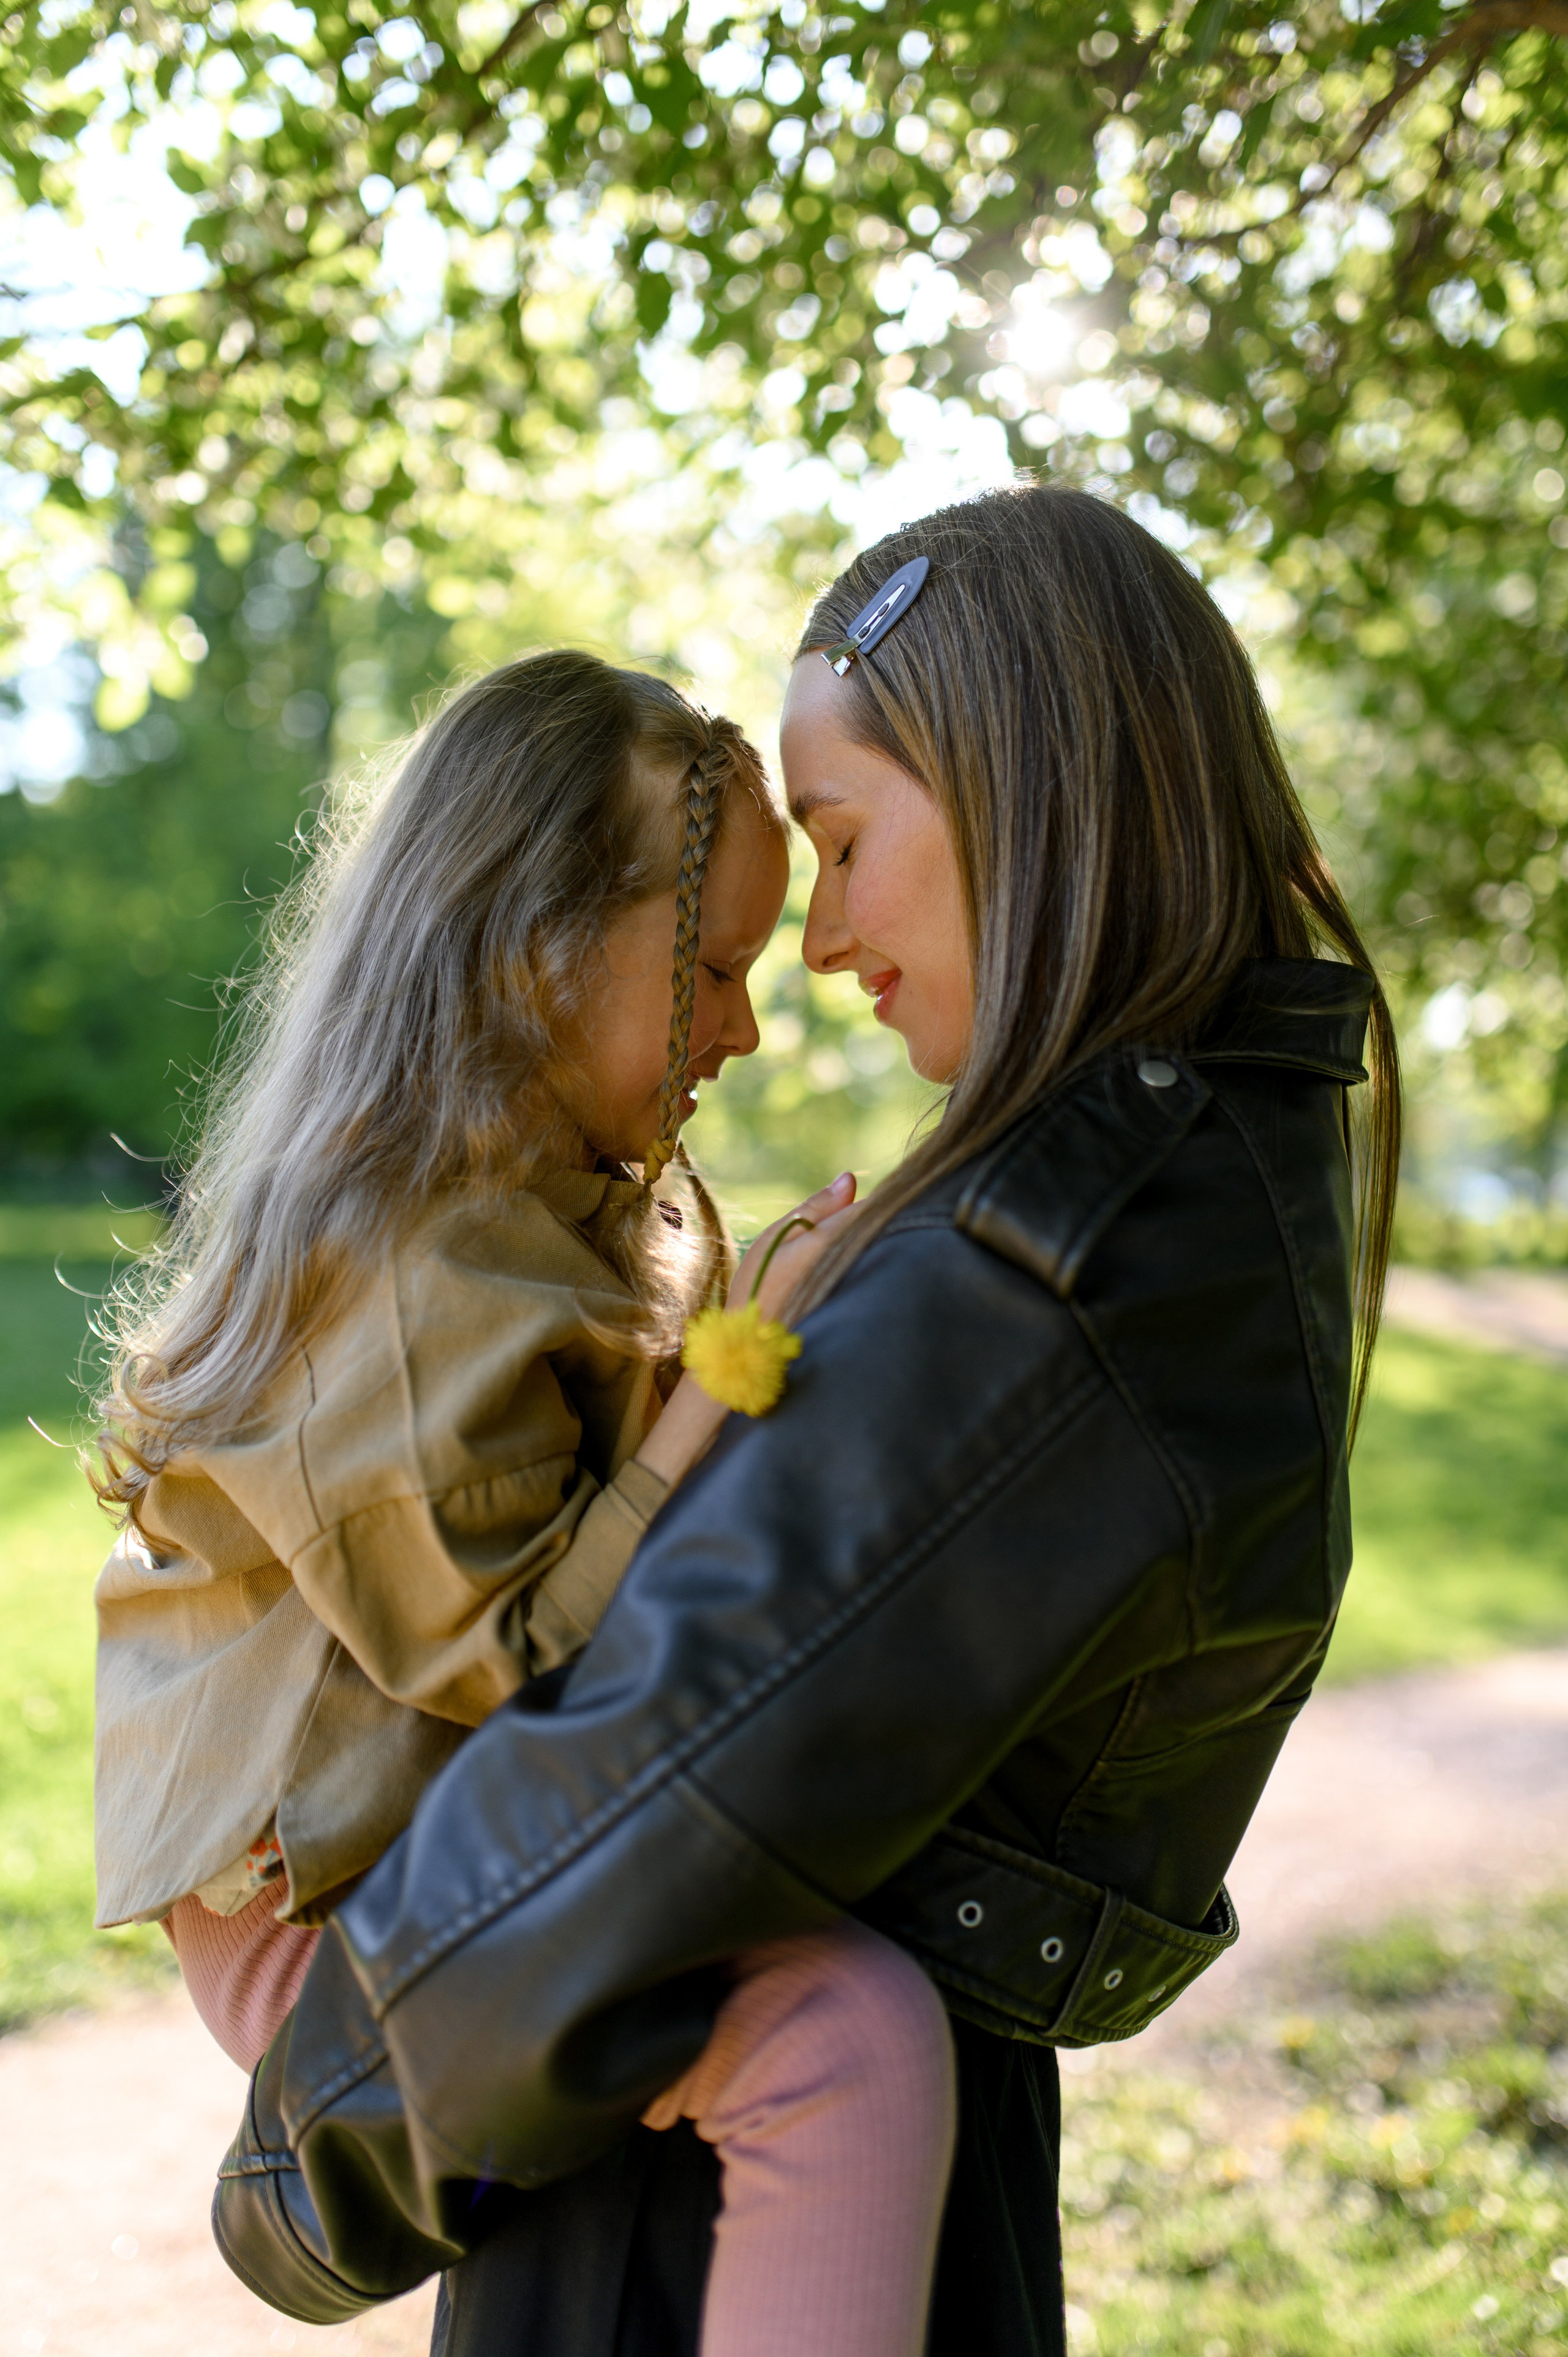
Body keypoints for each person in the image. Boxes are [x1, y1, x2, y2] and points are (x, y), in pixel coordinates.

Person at [208, 485, 1401, 2357]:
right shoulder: (1208, 1173)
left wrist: (304, 2182)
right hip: (766, 2156)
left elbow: (642, 1787)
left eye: (841, 847)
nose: (825, 952)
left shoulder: (1061, 1256)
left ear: (1025, 789)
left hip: (685, 2214)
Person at [89, 651, 960, 2357]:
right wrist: (721, 1393)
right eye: (712, 970)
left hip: (417, 1838)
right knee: (842, 2036)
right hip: (330, 1909)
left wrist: (736, 1325)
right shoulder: (417, 1272)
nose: (746, 1027)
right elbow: (530, 1669)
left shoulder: (531, 1210)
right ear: (537, 947)